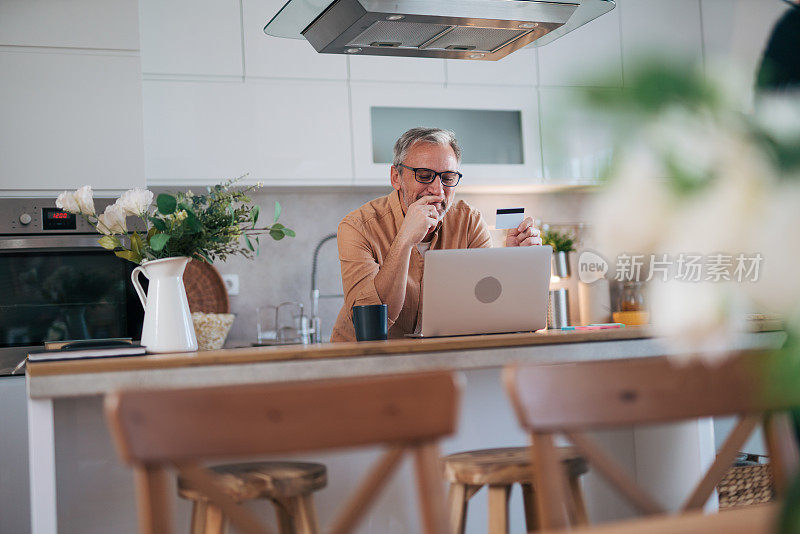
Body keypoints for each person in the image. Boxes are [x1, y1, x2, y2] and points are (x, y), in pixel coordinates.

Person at [330, 127, 542, 342]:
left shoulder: (468, 221)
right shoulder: (357, 226)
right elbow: (373, 324)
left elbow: (488, 312)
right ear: (396, 177)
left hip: (437, 358)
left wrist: (514, 264)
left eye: (448, 178)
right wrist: (405, 240)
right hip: (363, 362)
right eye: (424, 176)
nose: (437, 190)